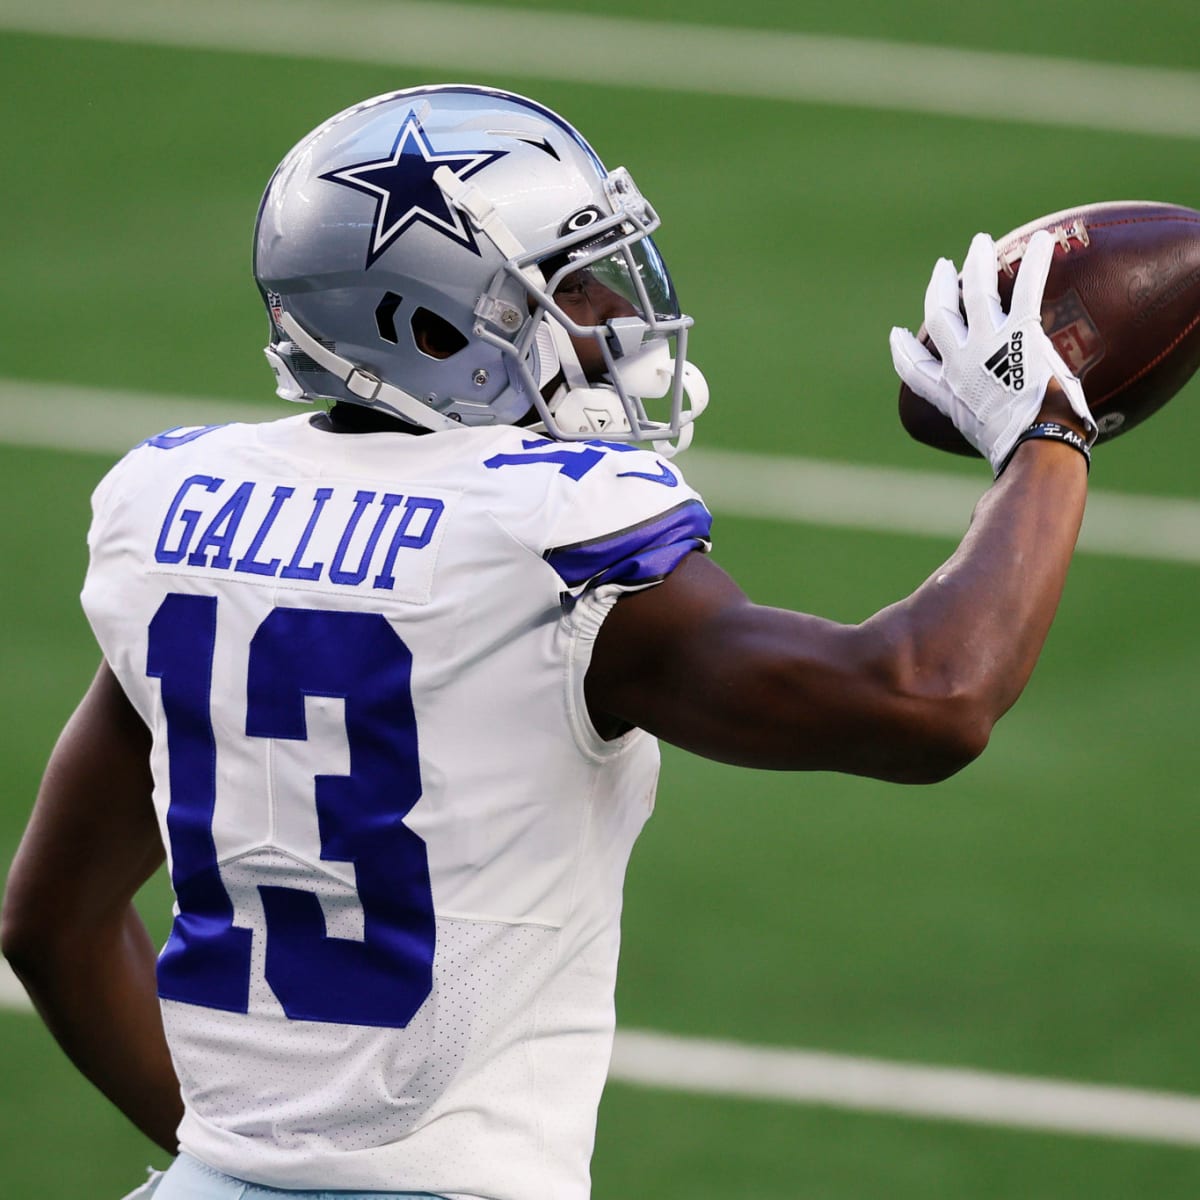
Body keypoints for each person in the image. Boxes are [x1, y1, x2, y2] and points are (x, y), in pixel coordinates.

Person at [0, 84, 1096, 1200]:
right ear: (430, 330)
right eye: (564, 287)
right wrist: (1047, 431)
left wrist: (243, 1165)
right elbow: (929, 697)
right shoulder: (548, 534)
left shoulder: (185, 512)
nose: (613, 313)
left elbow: (51, 923)